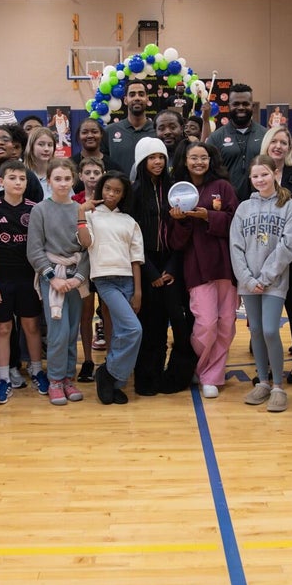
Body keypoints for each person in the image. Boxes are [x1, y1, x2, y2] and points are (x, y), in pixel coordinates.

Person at [169, 142, 239, 399]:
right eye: (193, 158)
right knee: (206, 323)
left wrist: (207, 216)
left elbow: (235, 222)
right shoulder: (177, 192)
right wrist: (183, 220)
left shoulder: (223, 187)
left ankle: (212, 375)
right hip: (197, 268)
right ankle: (202, 368)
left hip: (226, 266)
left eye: (204, 157)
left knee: (227, 324)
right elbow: (175, 242)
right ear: (185, 161)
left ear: (211, 160)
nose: (199, 162)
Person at [230, 155, 292, 412]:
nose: (260, 180)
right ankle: (263, 382)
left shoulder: (288, 205)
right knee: (256, 330)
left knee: (271, 330)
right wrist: (247, 279)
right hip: (248, 282)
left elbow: (288, 246)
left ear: (274, 173)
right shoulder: (243, 208)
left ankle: (279, 386)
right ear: (251, 179)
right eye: (255, 176)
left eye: (265, 174)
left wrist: (266, 277)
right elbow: (235, 246)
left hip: (274, 281)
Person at [129, 137, 197, 395]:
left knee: (180, 324)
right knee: (151, 325)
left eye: (161, 157)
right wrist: (152, 272)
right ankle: (148, 378)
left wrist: (171, 267)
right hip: (146, 266)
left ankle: (177, 376)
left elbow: (183, 234)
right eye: (151, 158)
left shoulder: (176, 190)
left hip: (173, 264)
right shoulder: (134, 192)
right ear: (142, 161)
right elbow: (132, 238)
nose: (157, 162)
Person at [77, 170, 144, 405]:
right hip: (105, 280)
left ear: (124, 194)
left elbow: (136, 258)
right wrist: (81, 213)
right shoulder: (92, 216)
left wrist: (138, 291)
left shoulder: (129, 221)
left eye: (117, 191)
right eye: (108, 189)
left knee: (121, 333)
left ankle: (115, 383)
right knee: (134, 330)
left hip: (127, 280)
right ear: (101, 189)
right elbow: (86, 242)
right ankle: (108, 372)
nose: (112, 194)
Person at [27, 158, 90, 405]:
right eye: (57, 179)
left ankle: (67, 378)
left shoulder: (79, 209)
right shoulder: (40, 210)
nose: (63, 183)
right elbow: (34, 250)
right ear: (49, 181)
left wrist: (79, 278)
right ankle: (54, 379)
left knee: (72, 330)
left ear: (73, 180)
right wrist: (52, 278)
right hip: (52, 277)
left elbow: (86, 248)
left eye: (67, 179)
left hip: (75, 279)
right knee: (57, 331)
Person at [0, 160, 46, 405]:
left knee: (31, 327)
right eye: (12, 178)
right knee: (2, 328)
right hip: (1, 280)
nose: (18, 182)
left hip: (28, 280)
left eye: (22, 178)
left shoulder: (35, 209)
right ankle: (3, 378)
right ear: (1, 182)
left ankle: (36, 370)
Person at [257, 126, 292, 383]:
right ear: (266, 143)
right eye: (274, 141)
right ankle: (264, 366)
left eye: (283, 142)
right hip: (263, 255)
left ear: (290, 148)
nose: (278, 146)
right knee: (265, 318)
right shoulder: (256, 172)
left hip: (291, 254)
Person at [73, 156, 109, 379]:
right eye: (88, 173)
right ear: (80, 176)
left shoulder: (110, 198)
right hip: (83, 265)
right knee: (85, 315)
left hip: (105, 263)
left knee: (107, 313)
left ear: (103, 174)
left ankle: (109, 360)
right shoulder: (74, 201)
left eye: (97, 172)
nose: (93, 176)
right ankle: (87, 360)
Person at [206, 83, 267, 194]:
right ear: (229, 106)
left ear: (252, 106)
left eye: (245, 104)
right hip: (227, 204)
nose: (241, 107)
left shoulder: (265, 135)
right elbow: (209, 173)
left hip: (260, 203)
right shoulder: (216, 138)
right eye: (236, 104)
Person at [105, 80, 156, 176]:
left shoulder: (157, 132)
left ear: (147, 99)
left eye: (141, 94)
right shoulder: (109, 131)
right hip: (119, 190)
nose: (137, 98)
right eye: (132, 95)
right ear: (125, 100)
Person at [72, 118, 107, 193]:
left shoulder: (113, 167)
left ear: (101, 134)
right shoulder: (69, 165)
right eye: (84, 132)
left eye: (94, 132)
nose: (90, 135)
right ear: (79, 136)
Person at [24, 127, 58, 198]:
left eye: (50, 145)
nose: (46, 149)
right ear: (31, 146)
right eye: (41, 144)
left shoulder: (58, 173)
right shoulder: (22, 173)